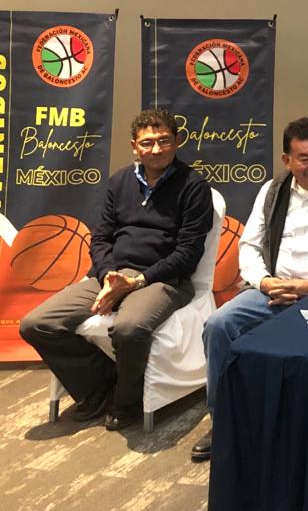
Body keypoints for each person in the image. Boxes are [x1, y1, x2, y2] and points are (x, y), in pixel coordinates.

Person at [191, 116, 308, 461]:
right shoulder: (272, 191)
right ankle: (223, 421)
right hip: (272, 291)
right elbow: (249, 245)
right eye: (305, 158)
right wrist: (264, 281)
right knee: (218, 325)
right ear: (287, 160)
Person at [21, 109, 213, 431]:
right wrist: (109, 276)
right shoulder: (120, 181)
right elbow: (100, 238)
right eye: (147, 143)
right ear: (134, 146)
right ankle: (98, 386)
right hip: (111, 275)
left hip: (163, 280)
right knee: (37, 324)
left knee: (129, 328)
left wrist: (135, 282)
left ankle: (126, 401)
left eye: (164, 140)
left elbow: (187, 255)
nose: (156, 149)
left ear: (177, 141)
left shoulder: (194, 186)